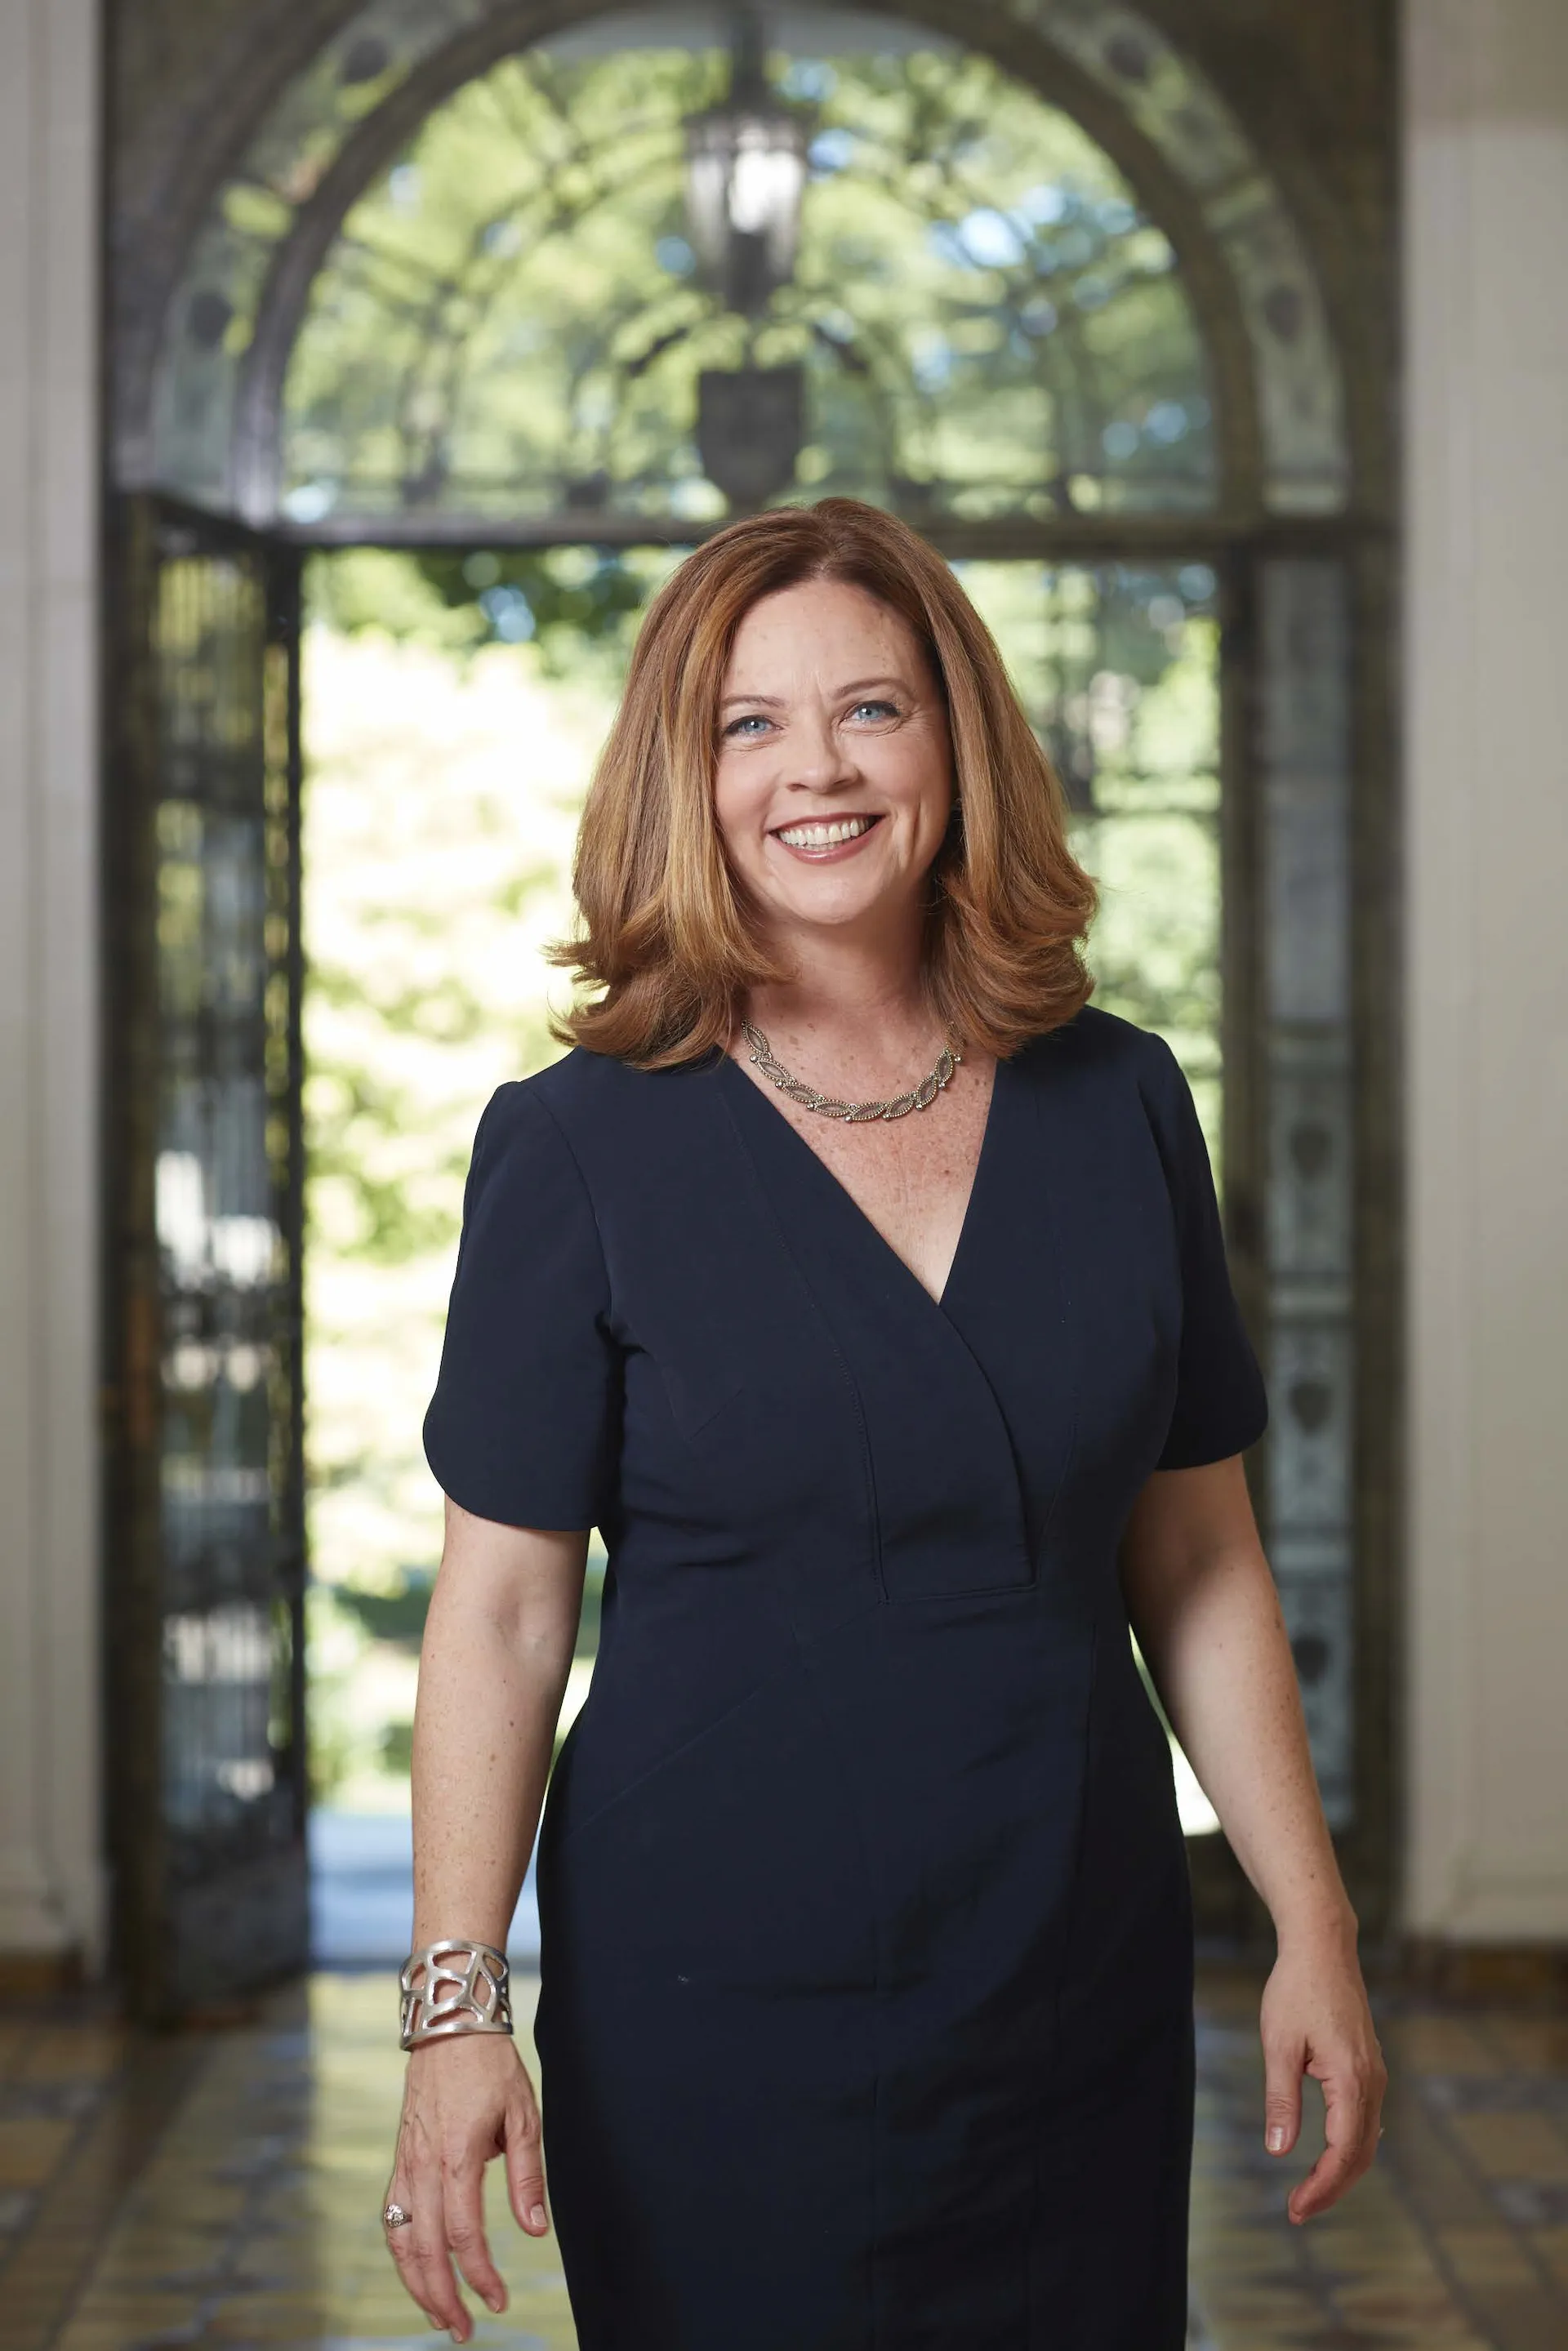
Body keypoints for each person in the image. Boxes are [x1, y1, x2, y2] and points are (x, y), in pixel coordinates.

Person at [381, 497, 1385, 2351]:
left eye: (872, 709)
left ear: (956, 740)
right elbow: (503, 1611)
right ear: (686, 777)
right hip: (708, 1987)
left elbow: (1198, 1552)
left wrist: (1308, 1917)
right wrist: (457, 2013)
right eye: (750, 724)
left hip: (1069, 1960)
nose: (818, 771)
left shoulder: (1123, 1102)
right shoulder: (577, 1142)